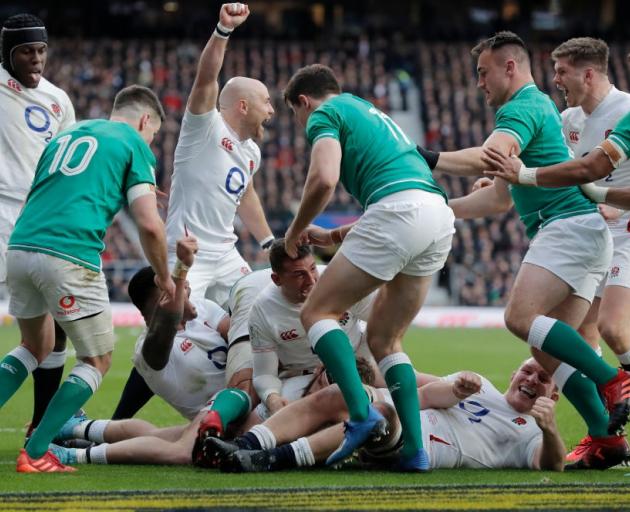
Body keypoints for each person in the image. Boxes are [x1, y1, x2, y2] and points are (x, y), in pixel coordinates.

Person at [418, 31, 629, 468]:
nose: (479, 82)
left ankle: (613, 381)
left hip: (566, 227)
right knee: (549, 350)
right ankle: (606, 439)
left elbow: (489, 157)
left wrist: (426, 157)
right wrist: (437, 208)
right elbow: (497, 196)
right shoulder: (543, 110)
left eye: (483, 72)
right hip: (586, 233)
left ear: (509, 67)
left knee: (518, 318)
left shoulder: (524, 106)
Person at [283, 64, 455, 471]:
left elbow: (325, 179)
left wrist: (295, 231)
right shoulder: (368, 111)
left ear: (304, 101)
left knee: (316, 312)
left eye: (296, 115)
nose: (301, 123)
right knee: (385, 340)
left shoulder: (324, 113)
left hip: (398, 213)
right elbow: (403, 189)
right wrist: (335, 235)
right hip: (437, 214)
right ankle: (414, 450)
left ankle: (361, 415)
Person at [0, 84, 175, 473]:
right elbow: (149, 224)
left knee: (33, 347)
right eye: (153, 133)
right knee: (97, 359)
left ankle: (38, 436)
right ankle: (37, 450)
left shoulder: (67, 135)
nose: (150, 140)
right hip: (68, 255)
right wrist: (165, 277)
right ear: (145, 120)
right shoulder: (133, 143)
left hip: (20, 246)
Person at [49, 236, 252, 467]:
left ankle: (76, 427)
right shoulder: (149, 351)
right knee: (184, 451)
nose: (189, 289)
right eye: (180, 289)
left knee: (158, 436)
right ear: (162, 301)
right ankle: (73, 456)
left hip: (234, 405)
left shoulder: (204, 309)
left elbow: (240, 338)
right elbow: (165, 326)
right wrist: (181, 268)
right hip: (218, 413)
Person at [206, 359, 570, 473]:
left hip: (419, 446)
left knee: (376, 414)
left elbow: (550, 466)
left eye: (542, 379)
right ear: (513, 374)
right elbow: (422, 397)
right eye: (527, 371)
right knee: (340, 393)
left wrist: (551, 429)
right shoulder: (483, 387)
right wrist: (455, 389)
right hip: (408, 416)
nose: (531, 380)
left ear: (553, 394)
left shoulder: (532, 431)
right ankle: (245, 444)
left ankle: (272, 458)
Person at [165, 2, 274, 307]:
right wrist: (223, 30)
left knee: (255, 314)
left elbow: (246, 193)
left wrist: (268, 241)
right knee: (177, 326)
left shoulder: (251, 152)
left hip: (226, 254)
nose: (271, 110)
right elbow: (205, 80)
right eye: (266, 102)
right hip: (189, 251)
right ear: (243, 106)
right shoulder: (205, 127)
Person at [0, 13, 76, 438]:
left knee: (53, 328)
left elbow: (66, 163)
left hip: (39, 219)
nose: (36, 59)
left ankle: (41, 425)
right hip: (1, 209)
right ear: (8, 53)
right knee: (39, 337)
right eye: (26, 51)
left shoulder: (58, 100)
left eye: (41, 50)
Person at [250, 240, 379, 420]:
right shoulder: (262, 310)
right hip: (304, 378)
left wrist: (360, 363)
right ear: (277, 279)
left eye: (312, 268)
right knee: (265, 416)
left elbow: (383, 322)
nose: (311, 280)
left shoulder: (341, 282)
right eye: (299, 275)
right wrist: (274, 401)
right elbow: (264, 374)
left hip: (359, 366)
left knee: (408, 386)